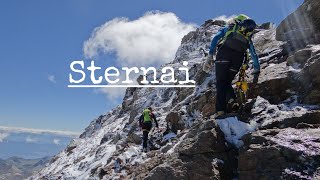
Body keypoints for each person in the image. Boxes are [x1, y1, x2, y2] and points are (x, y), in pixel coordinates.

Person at [203, 14, 260, 118]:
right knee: (226, 81)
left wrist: (210, 55)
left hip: (224, 54)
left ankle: (220, 111)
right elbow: (253, 53)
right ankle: (232, 101)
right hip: (238, 59)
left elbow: (215, 38)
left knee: (220, 82)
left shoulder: (230, 28)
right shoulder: (247, 37)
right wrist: (257, 68)